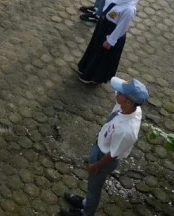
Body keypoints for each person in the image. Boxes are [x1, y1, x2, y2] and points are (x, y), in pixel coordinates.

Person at [60, 77, 148, 216]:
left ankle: (87, 212)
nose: (116, 93)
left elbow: (112, 155)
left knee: (94, 188)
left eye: (120, 92)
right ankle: (86, 203)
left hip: (103, 157)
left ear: (128, 101)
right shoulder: (129, 108)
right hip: (102, 145)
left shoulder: (127, 131)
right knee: (92, 186)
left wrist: (96, 166)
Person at [78, 0, 142, 86]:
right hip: (102, 26)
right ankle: (84, 67)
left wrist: (110, 41)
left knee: (100, 56)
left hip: (110, 32)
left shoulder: (128, 9)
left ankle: (92, 76)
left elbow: (121, 28)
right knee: (93, 49)